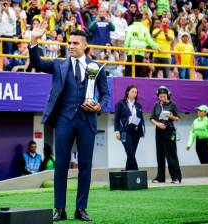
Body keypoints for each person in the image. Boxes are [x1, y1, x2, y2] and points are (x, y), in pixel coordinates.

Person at [29, 24, 109, 221]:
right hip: (64, 121)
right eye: (69, 43)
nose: (71, 46)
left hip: (87, 122)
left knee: (85, 166)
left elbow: (106, 94)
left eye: (75, 43)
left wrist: (99, 106)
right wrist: (33, 41)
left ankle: (81, 209)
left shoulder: (97, 67)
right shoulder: (59, 65)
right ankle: (59, 209)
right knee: (61, 167)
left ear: (85, 45)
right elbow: (38, 64)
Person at [150, 86, 182, 184]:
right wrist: (158, 124)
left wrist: (171, 116)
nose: (162, 98)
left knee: (171, 155)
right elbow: (152, 118)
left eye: (164, 96)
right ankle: (160, 177)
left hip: (169, 131)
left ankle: (176, 177)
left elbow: (178, 118)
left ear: (168, 95)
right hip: (159, 132)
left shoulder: (173, 104)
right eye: (160, 96)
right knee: (160, 155)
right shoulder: (156, 105)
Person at [114, 85, 145, 171]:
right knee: (130, 152)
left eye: (136, 92)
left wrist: (141, 130)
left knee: (131, 154)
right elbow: (116, 119)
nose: (134, 93)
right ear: (127, 92)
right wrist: (117, 131)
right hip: (124, 131)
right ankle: (136, 172)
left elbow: (141, 119)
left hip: (136, 132)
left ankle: (128, 172)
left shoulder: (138, 105)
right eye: (132, 91)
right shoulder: (120, 104)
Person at [124, 12, 159, 77]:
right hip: (141, 55)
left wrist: (125, 51)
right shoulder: (145, 29)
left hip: (131, 54)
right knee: (138, 74)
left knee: (128, 74)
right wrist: (157, 47)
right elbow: (150, 41)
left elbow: (127, 41)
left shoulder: (130, 28)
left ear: (134, 18)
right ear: (141, 19)